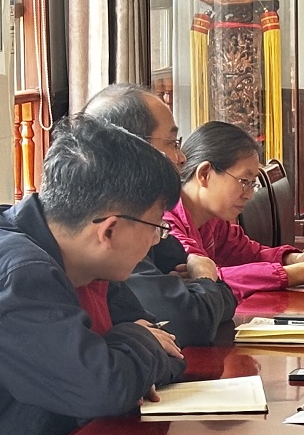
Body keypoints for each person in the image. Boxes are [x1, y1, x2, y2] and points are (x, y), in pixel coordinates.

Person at [0, 115, 187, 435]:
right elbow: (101, 387)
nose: (156, 242)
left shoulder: (83, 262)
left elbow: (166, 347)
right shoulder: (19, 273)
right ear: (109, 230)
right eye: (156, 227)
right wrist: (129, 345)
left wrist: (125, 349)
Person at [81, 84, 237, 344]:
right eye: (172, 143)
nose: (182, 158)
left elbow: (225, 301)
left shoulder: (149, 222)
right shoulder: (115, 226)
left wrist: (201, 286)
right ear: (132, 149)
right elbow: (188, 322)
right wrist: (204, 278)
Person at [167, 121, 304, 298]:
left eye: (252, 184)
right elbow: (210, 280)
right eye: (244, 181)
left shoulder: (212, 220)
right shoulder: (166, 226)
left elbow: (248, 253)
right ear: (204, 174)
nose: (249, 195)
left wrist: (294, 259)